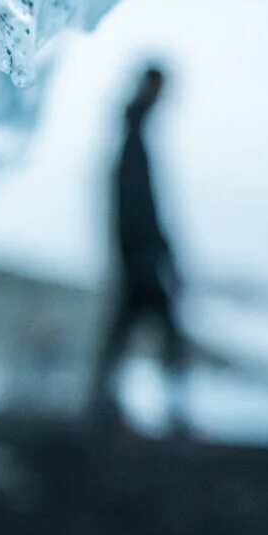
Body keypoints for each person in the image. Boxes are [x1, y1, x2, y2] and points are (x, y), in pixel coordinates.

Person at [91, 64, 188, 431]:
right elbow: (138, 204)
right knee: (160, 331)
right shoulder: (134, 135)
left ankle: (104, 404)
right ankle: (170, 410)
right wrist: (152, 253)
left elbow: (141, 203)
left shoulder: (135, 133)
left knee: (130, 331)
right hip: (140, 255)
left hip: (138, 252)